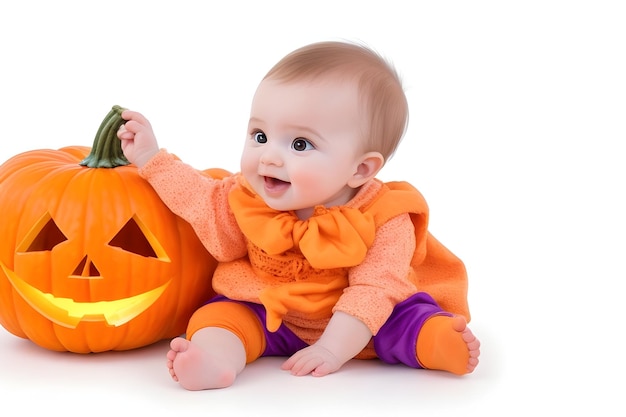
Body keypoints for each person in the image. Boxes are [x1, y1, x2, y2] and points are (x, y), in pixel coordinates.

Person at [117, 40, 480, 390]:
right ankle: (216, 359)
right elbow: (199, 200)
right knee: (219, 317)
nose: (269, 157)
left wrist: (332, 349)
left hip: (364, 322)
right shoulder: (246, 194)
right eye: (260, 135)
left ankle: (435, 343)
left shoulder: (385, 217)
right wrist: (152, 159)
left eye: (299, 144)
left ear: (361, 169)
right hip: (269, 311)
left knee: (407, 320)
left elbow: (376, 287)